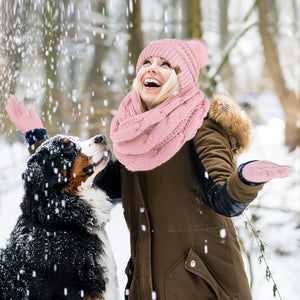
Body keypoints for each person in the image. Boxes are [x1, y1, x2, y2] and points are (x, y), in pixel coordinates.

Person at [6, 38, 292, 300]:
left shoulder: (202, 126)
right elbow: (86, 184)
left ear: (182, 79)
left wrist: (245, 180)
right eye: (146, 63)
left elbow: (224, 198)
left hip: (200, 286)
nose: (152, 69)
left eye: (166, 64)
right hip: (148, 286)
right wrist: (41, 145)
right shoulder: (135, 136)